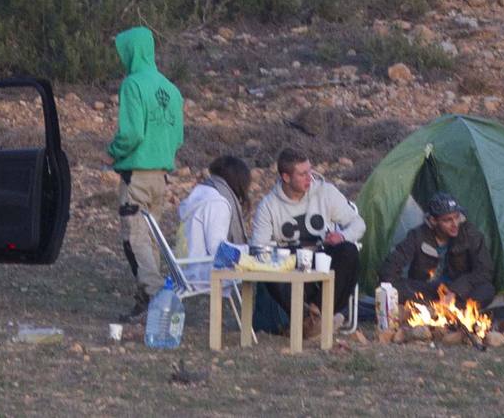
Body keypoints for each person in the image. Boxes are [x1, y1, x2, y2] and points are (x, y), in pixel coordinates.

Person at [106, 26, 184, 322]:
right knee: (152, 238)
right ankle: (148, 297)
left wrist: (113, 149)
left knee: (135, 238)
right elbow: (178, 137)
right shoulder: (170, 88)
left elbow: (132, 133)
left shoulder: (132, 85)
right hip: (161, 176)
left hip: (136, 175)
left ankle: (153, 300)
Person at [250, 148, 365, 326]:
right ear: (286, 177)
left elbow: (358, 224)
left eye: (310, 171)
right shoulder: (269, 205)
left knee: (349, 251)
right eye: (302, 174)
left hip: (322, 256)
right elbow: (258, 247)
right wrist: (277, 256)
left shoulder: (325, 192)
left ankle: (318, 313)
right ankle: (305, 318)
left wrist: (342, 236)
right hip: (290, 261)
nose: (309, 178)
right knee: (267, 266)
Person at [379, 191, 495, 307]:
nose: (455, 224)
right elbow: (390, 267)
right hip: (428, 289)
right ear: (433, 221)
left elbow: (485, 271)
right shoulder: (417, 236)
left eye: (457, 217)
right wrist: (394, 287)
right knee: (392, 287)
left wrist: (455, 290)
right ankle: (433, 307)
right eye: (447, 220)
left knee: (487, 289)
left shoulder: (470, 234)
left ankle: (454, 310)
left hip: (459, 288)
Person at [177, 154, 252, 293]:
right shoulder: (217, 202)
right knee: (265, 272)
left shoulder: (201, 192)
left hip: (187, 268)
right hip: (202, 274)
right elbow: (218, 249)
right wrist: (250, 250)